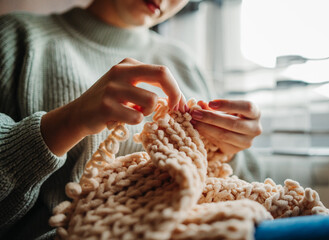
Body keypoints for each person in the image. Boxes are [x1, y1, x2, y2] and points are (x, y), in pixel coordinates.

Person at [0, 0, 262, 239]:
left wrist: (228, 147)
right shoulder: (15, 37)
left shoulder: (185, 62)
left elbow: (251, 188)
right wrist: (69, 121)